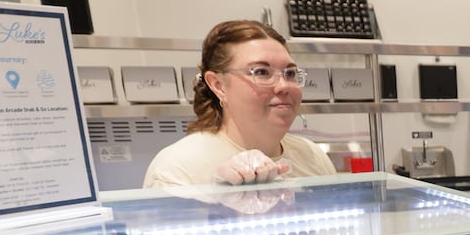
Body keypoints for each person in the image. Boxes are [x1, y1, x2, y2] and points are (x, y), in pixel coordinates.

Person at [143, 20, 337, 188]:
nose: (283, 86)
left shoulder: (311, 156)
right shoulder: (178, 168)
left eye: (290, 73)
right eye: (261, 72)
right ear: (218, 85)